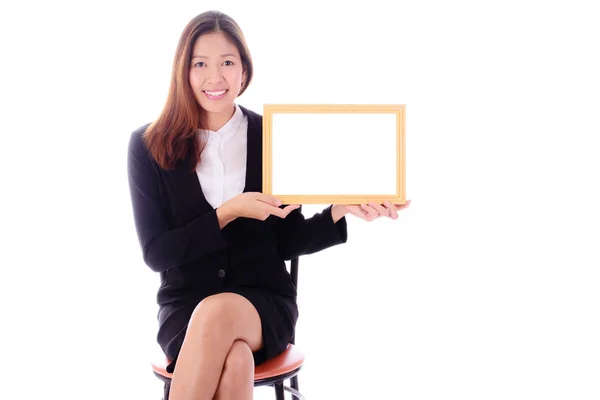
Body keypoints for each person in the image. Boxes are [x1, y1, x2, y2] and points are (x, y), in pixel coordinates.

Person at [127, 10, 411, 400]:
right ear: (183, 72)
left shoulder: (273, 136)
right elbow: (157, 253)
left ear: (244, 71)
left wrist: (337, 211)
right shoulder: (149, 146)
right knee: (236, 361)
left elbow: (288, 241)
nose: (215, 77)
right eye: (200, 64)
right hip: (185, 309)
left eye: (227, 62)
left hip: (263, 303)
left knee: (219, 314)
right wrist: (229, 212)